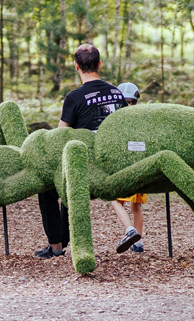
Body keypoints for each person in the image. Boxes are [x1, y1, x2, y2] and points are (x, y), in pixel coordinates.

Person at [34, 44, 136, 259]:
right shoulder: (117, 93)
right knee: (67, 179)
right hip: (116, 163)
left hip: (87, 167)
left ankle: (56, 246)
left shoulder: (74, 97)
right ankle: (62, 242)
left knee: (49, 187)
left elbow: (61, 134)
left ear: (76, 66)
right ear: (99, 64)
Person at [113, 81, 145, 253]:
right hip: (140, 167)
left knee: (116, 200)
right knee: (136, 206)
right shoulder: (141, 118)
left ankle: (130, 231)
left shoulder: (117, 119)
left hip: (124, 168)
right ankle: (138, 242)